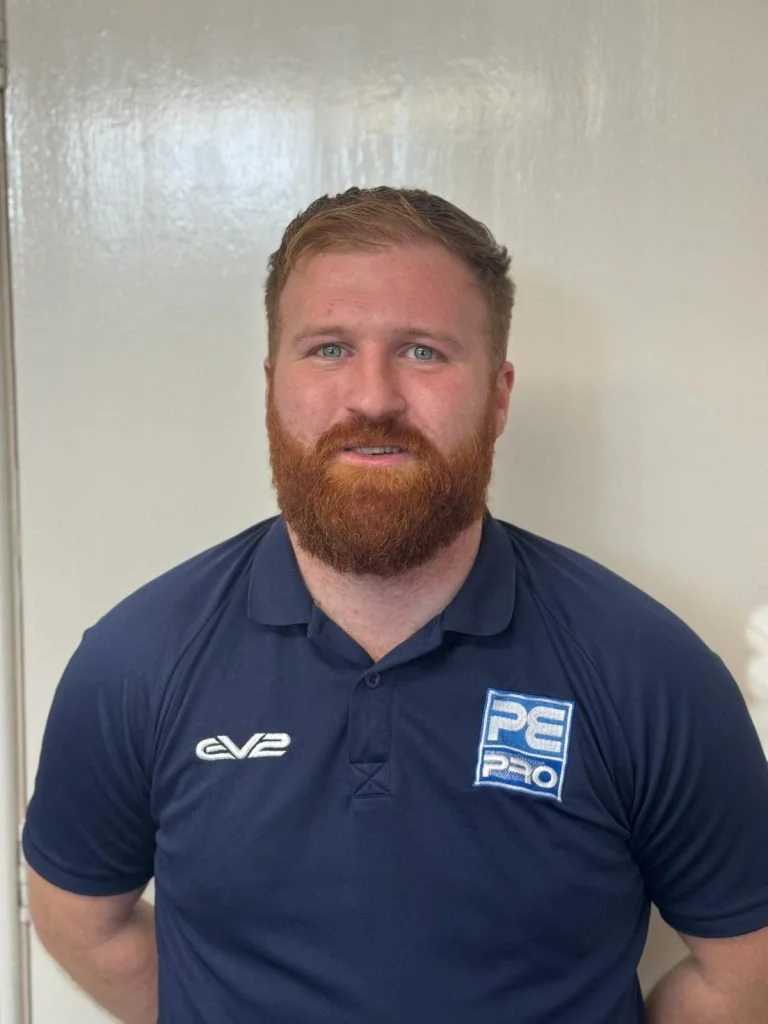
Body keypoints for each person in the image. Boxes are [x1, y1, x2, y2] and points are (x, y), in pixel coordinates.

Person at [23, 187, 768, 1024]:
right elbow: (80, 917)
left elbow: (744, 965)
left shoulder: (648, 670)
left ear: (498, 394)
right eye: (329, 348)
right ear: (273, 386)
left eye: (422, 351)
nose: (372, 396)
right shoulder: (136, 662)